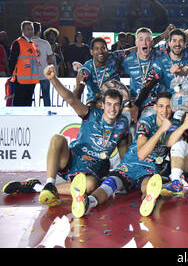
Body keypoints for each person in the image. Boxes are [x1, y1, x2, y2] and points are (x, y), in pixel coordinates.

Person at [3, 65, 130, 208]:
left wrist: (125, 177)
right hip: (71, 160)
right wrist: (52, 79)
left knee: (90, 186)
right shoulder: (91, 113)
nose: (112, 109)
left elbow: (124, 153)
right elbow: (70, 99)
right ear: (102, 105)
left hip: (91, 171)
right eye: (109, 104)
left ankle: (38, 187)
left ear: (120, 106)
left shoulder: (123, 125)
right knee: (57, 139)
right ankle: (50, 182)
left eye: (116, 105)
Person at [69, 92, 179, 218]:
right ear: (155, 107)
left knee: (149, 187)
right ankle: (87, 202)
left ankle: (148, 201)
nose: (164, 110)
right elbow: (142, 153)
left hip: (149, 168)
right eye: (161, 106)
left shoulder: (176, 124)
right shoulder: (145, 122)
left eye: (168, 107)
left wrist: (184, 125)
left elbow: (172, 143)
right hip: (131, 163)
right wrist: (162, 130)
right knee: (110, 184)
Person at [74, 37, 123, 105]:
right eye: (96, 49)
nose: (100, 51)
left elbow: (129, 51)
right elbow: (79, 90)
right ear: (91, 52)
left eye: (103, 48)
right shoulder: (87, 68)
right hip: (94, 101)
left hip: (114, 99)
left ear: (107, 50)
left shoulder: (113, 57)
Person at [9, 21, 40, 106]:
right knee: (19, 104)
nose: (31, 31)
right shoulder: (18, 43)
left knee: (28, 104)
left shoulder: (32, 43)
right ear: (22, 30)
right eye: (28, 29)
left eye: (32, 29)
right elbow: (12, 61)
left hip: (31, 80)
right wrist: (12, 75)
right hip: (21, 81)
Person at [31, 22, 53, 107]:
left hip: (31, 74)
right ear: (39, 31)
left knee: (29, 96)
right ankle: (48, 113)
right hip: (44, 73)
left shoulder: (27, 42)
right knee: (46, 96)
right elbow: (50, 58)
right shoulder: (45, 43)